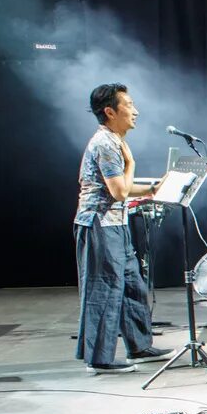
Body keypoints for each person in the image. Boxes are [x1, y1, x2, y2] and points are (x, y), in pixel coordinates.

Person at [74, 83, 168, 374]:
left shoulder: (114, 141)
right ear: (110, 111)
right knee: (103, 289)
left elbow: (123, 189)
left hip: (116, 223)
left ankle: (139, 346)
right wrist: (132, 163)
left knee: (131, 285)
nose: (135, 111)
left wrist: (154, 188)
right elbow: (118, 190)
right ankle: (98, 359)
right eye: (128, 105)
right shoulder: (106, 144)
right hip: (100, 226)